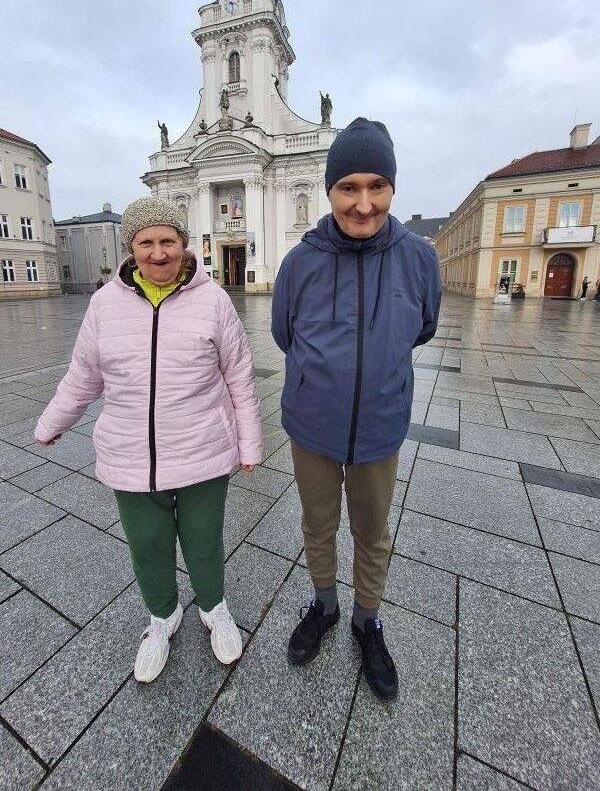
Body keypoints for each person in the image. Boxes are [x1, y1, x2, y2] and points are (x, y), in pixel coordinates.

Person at [35, 197, 262, 683]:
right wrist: (51, 422)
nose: (158, 253)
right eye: (146, 242)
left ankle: (214, 607)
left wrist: (249, 445)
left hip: (202, 448)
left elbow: (240, 377)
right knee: (147, 543)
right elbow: (84, 375)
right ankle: (163, 616)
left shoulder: (213, 301)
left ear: (184, 245)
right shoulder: (104, 304)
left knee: (203, 538)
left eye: (168, 241)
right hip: (130, 454)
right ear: (131, 248)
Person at [272, 118, 441, 701]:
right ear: (329, 190)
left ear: (392, 188)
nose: (363, 203)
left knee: (372, 531)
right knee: (318, 523)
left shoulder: (419, 259)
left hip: (379, 428)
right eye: (349, 187)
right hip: (311, 425)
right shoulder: (300, 262)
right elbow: (284, 333)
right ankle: (324, 606)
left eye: (377, 186)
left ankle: (368, 622)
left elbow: (423, 327)